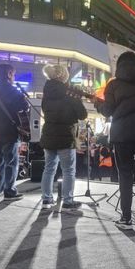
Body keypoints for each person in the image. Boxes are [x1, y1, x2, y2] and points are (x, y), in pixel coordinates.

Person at [96, 52, 135, 230]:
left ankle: (126, 218)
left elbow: (108, 111)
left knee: (125, 175)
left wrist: (98, 105)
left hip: (122, 135)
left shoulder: (114, 84)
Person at [39, 64, 88, 210]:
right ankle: (67, 201)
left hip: (49, 134)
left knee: (49, 169)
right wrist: (78, 99)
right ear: (63, 76)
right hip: (66, 135)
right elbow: (82, 115)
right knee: (68, 170)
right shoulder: (69, 93)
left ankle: (46, 199)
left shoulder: (46, 92)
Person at [0, 63, 29, 201]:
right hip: (10, 133)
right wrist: (24, 100)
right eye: (13, 74)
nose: (14, 77)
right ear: (9, 74)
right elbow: (23, 109)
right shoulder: (14, 92)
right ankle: (9, 191)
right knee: (11, 163)